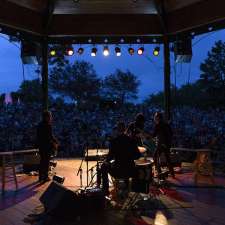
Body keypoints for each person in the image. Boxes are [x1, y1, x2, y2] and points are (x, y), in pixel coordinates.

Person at [98, 122, 141, 195]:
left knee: (103, 166)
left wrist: (106, 160)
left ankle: (105, 190)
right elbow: (138, 156)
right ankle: (133, 190)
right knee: (137, 169)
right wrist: (129, 157)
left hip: (117, 171)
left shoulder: (114, 141)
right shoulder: (132, 141)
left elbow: (110, 157)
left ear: (117, 130)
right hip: (130, 170)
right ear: (125, 129)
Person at [37, 111, 59, 183]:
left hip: (41, 146)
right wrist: (55, 143)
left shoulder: (39, 125)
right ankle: (45, 177)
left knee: (42, 162)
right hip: (46, 147)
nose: (51, 118)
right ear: (47, 117)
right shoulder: (48, 125)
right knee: (46, 162)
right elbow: (50, 137)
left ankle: (40, 178)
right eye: (50, 116)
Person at [152, 112, 175, 178]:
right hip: (167, 144)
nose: (154, 118)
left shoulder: (158, 125)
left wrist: (145, 135)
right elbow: (171, 134)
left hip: (161, 145)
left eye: (155, 117)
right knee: (168, 159)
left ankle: (159, 172)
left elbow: (153, 135)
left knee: (155, 157)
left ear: (158, 118)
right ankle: (172, 174)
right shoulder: (167, 124)